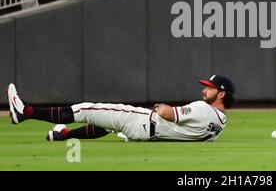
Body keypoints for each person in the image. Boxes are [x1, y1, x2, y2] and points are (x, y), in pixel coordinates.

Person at [8, 74, 235, 142]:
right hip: (151, 135)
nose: (205, 90)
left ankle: (25, 112)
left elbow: (169, 114)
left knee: (85, 109)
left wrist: (161, 106)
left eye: (210, 88)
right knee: (106, 124)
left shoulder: (203, 109)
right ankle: (63, 135)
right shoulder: (221, 124)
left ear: (221, 94)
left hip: (145, 122)